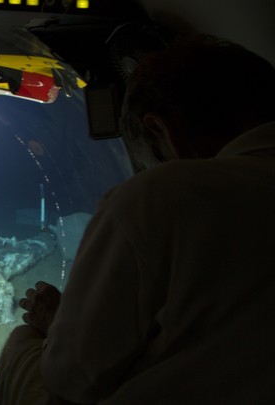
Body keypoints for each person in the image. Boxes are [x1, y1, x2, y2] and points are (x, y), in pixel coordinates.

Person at [38, 34, 275, 404]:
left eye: (154, 157)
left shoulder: (161, 195)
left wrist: (54, 324)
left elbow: (72, 376)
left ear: (160, 130)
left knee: (24, 349)